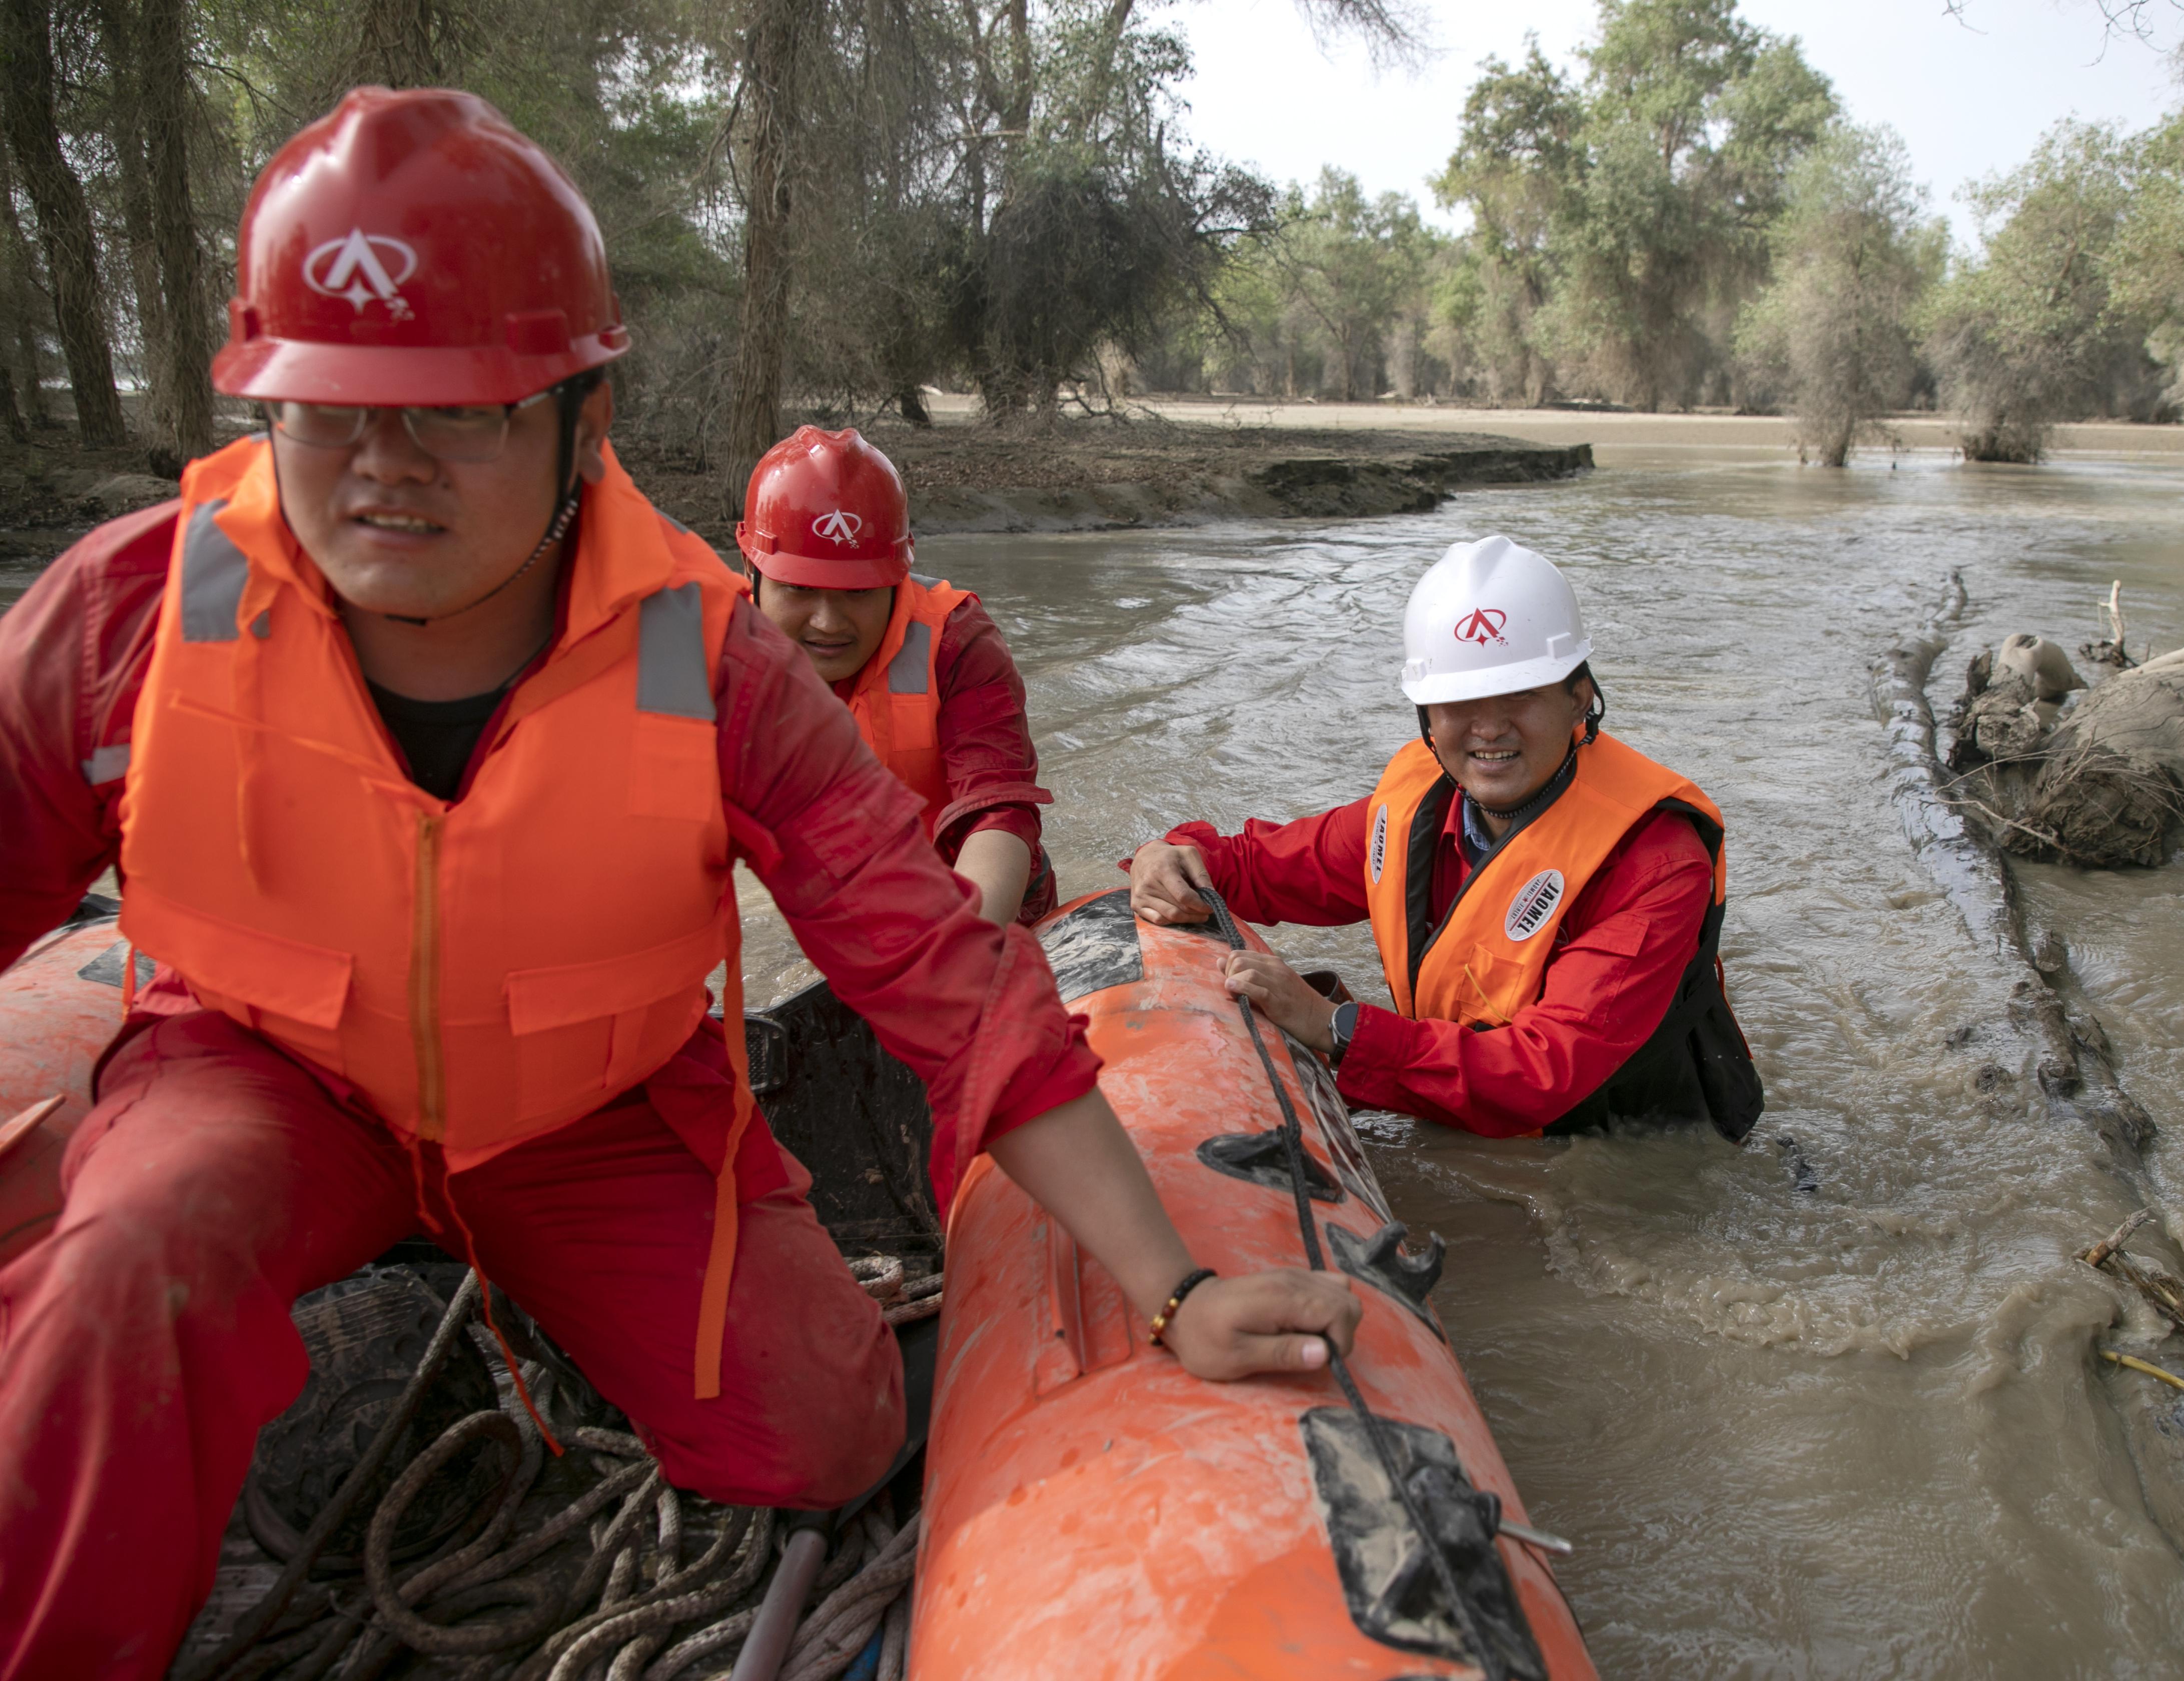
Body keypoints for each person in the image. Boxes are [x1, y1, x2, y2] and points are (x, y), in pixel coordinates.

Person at [0, 88, 1356, 1679]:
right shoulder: (130, 612)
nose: (385, 470)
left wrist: (1173, 1281)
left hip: (590, 1113)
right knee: (128, 1256)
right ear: (261, 414)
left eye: (459, 415)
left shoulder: (706, 658)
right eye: (328, 412)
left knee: (828, 1435)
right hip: (263, 1080)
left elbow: (945, 973)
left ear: (583, 421)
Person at [1128, 535, 1763, 1140]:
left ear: (1580, 699)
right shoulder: (1416, 810)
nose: (1488, 728)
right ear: (1426, 714)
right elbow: (1258, 868)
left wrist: (1333, 1028)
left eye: (1521, 694)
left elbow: (1546, 1073)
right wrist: (1175, 856)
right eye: (1460, 700)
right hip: (1465, 1103)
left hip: (1618, 1143)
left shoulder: (1657, 862)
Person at [738, 427, 1053, 925]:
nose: (828, 622)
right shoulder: (710, 651)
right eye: (799, 589)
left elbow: (997, 817)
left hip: (982, 905)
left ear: (896, 578)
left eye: (859, 592)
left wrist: (958, 959)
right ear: (750, 570)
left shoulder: (958, 644)